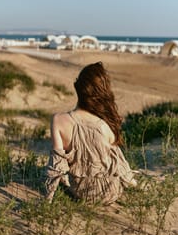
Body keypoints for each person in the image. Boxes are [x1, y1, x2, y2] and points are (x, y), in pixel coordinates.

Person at [46, 61, 137, 204]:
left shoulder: (58, 120)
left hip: (81, 193)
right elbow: (120, 164)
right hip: (110, 193)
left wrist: (48, 199)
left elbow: (57, 164)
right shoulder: (105, 124)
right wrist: (134, 184)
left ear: (77, 88)